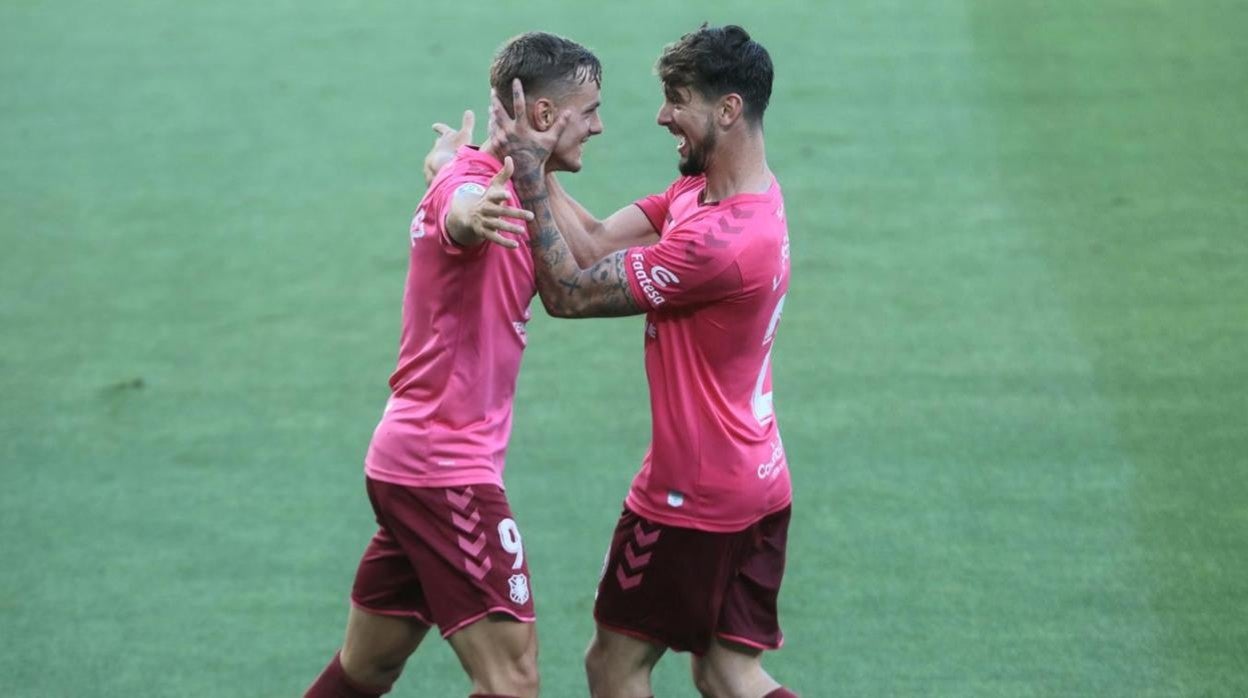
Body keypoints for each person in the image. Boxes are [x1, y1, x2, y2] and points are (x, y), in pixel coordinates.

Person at [490, 23, 799, 698]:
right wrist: (535, 163)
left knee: (613, 666)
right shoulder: (714, 193)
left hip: (694, 495)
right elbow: (596, 241)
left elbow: (569, 292)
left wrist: (523, 176)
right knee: (726, 672)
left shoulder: (722, 244)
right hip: (760, 479)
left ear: (727, 110)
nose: (662, 116)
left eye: (678, 99)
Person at [304, 31, 603, 698]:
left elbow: (595, 246)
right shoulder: (478, 188)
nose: (600, 124)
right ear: (546, 116)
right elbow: (459, 215)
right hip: (445, 471)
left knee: (368, 668)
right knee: (513, 680)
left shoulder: (494, 176)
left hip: (410, 463)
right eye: (590, 109)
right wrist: (473, 209)